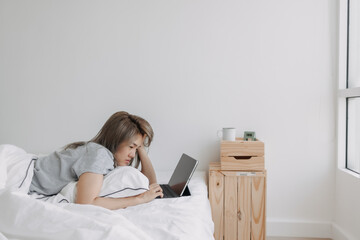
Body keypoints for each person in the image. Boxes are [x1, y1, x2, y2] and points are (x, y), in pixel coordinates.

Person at [28, 111, 163, 210]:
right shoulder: (100, 156)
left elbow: (151, 184)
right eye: (131, 147)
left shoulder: (98, 152)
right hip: (28, 179)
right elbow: (86, 203)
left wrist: (140, 147)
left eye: (137, 148)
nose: (133, 154)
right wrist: (139, 199)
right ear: (116, 140)